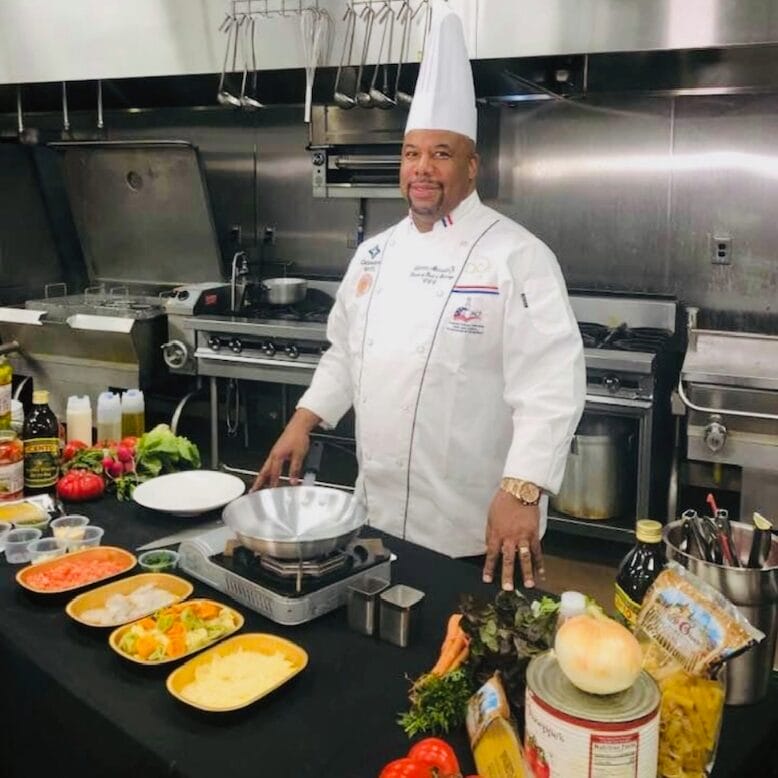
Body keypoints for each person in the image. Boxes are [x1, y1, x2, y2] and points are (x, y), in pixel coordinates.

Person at [253, 4, 586, 590]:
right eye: (412, 154)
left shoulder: (518, 257)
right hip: (376, 519)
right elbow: (344, 355)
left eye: (441, 153)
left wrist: (524, 488)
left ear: (472, 165)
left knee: (470, 668)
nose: (422, 169)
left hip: (475, 527)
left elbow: (552, 387)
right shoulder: (374, 255)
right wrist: (303, 421)